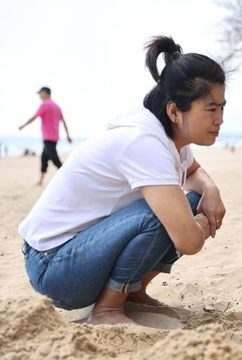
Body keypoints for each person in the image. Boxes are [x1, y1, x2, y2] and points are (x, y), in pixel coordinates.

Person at [18, 35, 227, 325]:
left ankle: (133, 293)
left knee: (189, 202)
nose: (220, 119)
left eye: (222, 108)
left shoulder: (171, 135)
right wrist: (201, 224)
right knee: (167, 215)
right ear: (174, 110)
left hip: (80, 253)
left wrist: (211, 189)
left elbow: (193, 172)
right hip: (54, 266)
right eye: (211, 109)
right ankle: (107, 310)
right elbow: (189, 241)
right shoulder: (145, 141)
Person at [19, 86, 72, 186]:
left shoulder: (45, 105)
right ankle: (40, 181)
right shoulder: (57, 106)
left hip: (48, 138)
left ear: (45, 93)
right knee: (44, 158)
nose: (39, 96)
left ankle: (70, 178)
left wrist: (23, 125)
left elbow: (34, 117)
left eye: (40, 93)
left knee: (55, 159)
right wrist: (68, 135)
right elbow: (63, 122)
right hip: (54, 137)